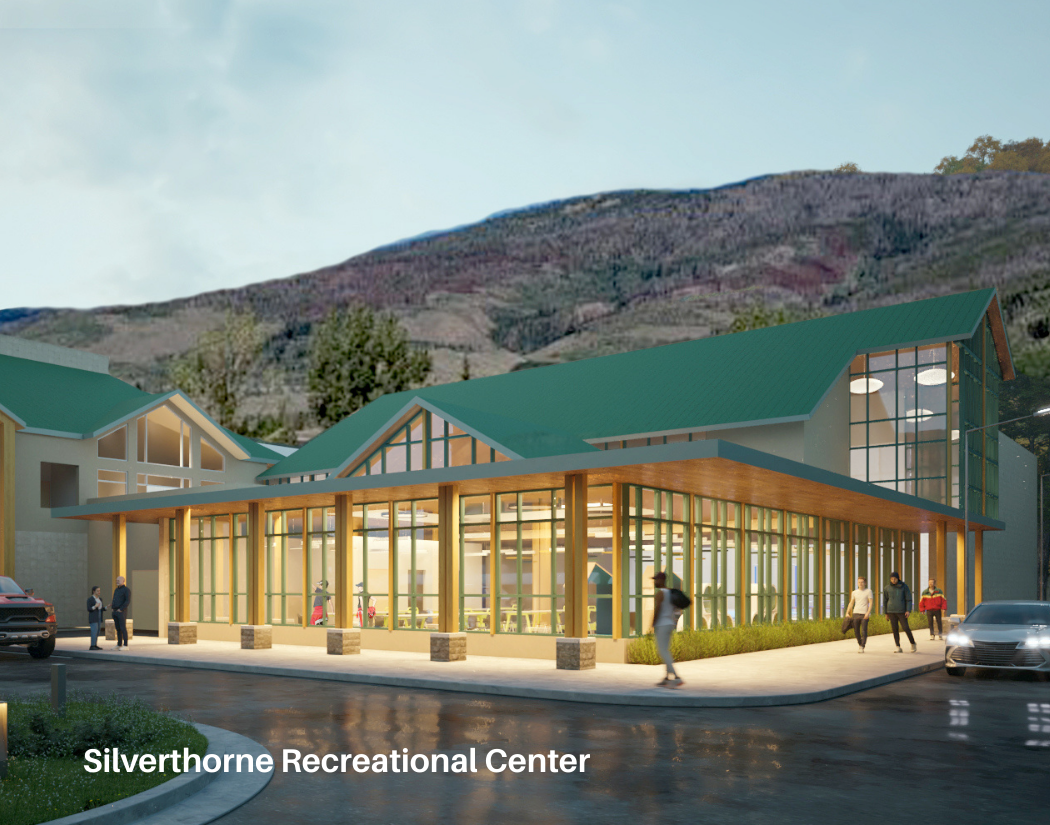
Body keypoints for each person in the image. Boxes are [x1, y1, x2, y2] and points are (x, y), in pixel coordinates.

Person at [651, 571, 684, 688]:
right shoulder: (671, 592)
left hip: (662, 624)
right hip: (670, 623)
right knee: (666, 650)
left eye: (656, 580)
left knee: (663, 651)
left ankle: (676, 677)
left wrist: (653, 623)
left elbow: (658, 608)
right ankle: (666, 678)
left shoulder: (660, 593)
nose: (655, 582)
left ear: (661, 580)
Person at [883, 571, 916, 653]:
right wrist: (886, 613)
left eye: (895, 578)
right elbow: (885, 601)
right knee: (895, 629)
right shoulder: (887, 588)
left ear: (898, 578)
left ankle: (912, 643)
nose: (893, 580)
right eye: (892, 579)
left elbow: (908, 599)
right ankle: (898, 646)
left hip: (901, 611)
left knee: (905, 628)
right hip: (891, 611)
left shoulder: (904, 587)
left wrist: (908, 610)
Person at [845, 576, 873, 652]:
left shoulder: (868, 591)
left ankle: (862, 646)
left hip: (864, 613)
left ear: (865, 583)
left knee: (864, 631)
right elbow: (851, 603)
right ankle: (860, 644)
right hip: (855, 613)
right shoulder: (854, 592)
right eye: (859, 582)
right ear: (857, 583)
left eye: (862, 582)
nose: (860, 583)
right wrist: (847, 612)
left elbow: (870, 603)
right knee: (856, 631)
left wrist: (868, 613)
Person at [109, 575, 131, 650]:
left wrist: (121, 609)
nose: (117, 581)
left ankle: (125, 645)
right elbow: (114, 599)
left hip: (121, 611)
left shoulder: (126, 590)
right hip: (115, 611)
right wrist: (112, 608)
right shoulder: (116, 590)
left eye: (118, 580)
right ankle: (119, 644)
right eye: (116, 580)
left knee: (123, 628)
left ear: (123, 581)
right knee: (117, 628)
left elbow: (127, 601)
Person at [86, 586, 105, 650]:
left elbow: (101, 608)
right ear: (94, 591)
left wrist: (106, 607)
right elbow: (89, 609)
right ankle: (92, 645)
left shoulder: (100, 599)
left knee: (97, 631)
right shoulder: (90, 599)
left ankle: (95, 644)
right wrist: (95, 606)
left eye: (99, 590)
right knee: (94, 631)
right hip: (93, 617)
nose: (99, 592)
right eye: (97, 591)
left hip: (99, 616)